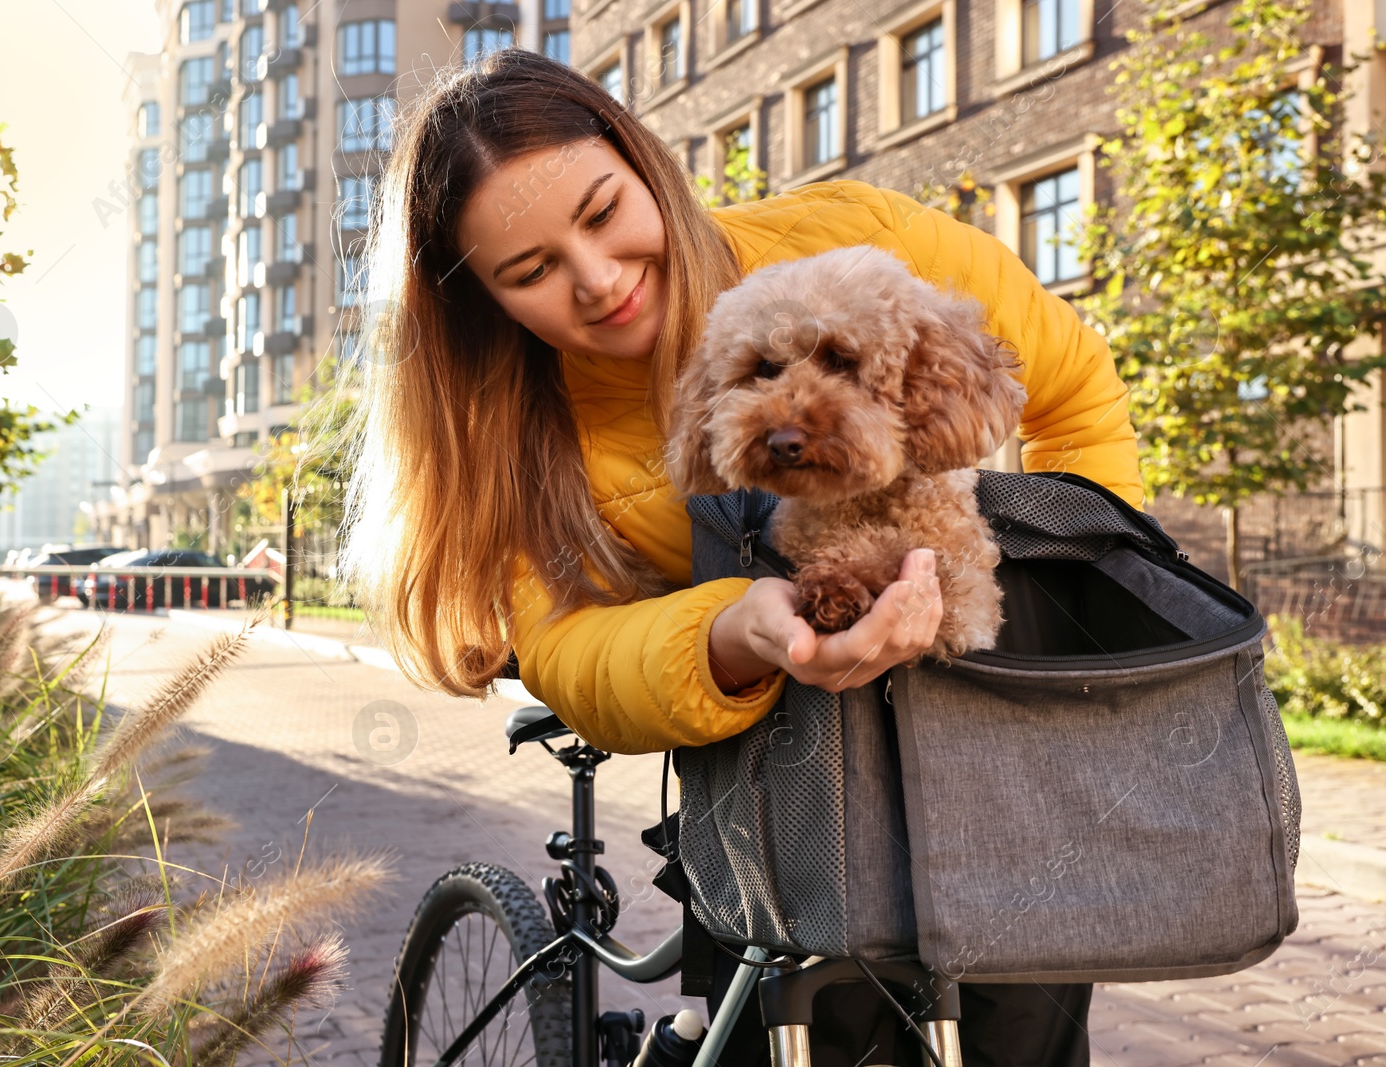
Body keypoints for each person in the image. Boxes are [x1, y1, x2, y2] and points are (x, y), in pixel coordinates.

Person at [339, 47, 1143, 1067]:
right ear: (482, 299)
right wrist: (727, 632)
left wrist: (1069, 591)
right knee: (777, 1016)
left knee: (1022, 1027)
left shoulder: (866, 242)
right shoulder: (514, 433)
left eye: (601, 214)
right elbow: (569, 644)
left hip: (994, 765)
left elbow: (1071, 385)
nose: (597, 281)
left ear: (642, 162)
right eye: (530, 272)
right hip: (772, 787)